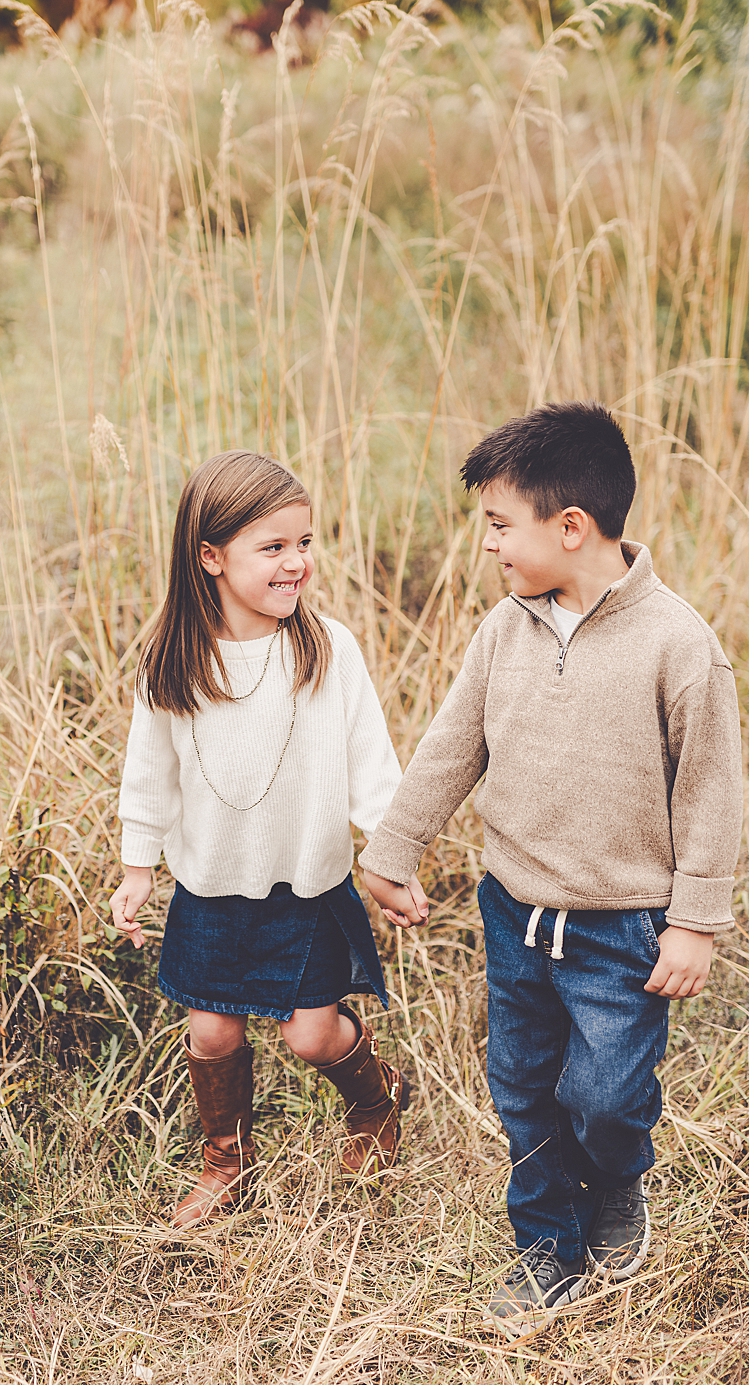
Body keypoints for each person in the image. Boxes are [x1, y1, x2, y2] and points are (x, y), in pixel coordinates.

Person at [359, 402, 743, 1336]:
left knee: (606, 1094)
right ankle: (546, 1244)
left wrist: (695, 922)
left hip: (624, 925)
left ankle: (615, 1179)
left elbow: (712, 792)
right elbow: (454, 745)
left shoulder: (677, 646)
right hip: (515, 914)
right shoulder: (505, 630)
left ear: (570, 526)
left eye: (500, 525)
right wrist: (395, 846)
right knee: (523, 1085)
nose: (488, 544)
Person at [110, 450, 408, 1228]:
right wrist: (138, 864)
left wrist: (391, 852)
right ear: (210, 556)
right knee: (210, 1028)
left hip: (305, 885)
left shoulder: (327, 650)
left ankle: (376, 1101)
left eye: (303, 543)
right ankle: (226, 1162)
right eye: (271, 548)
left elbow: (371, 761)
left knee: (311, 1034)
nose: (296, 563)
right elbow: (149, 773)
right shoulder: (173, 661)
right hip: (211, 887)